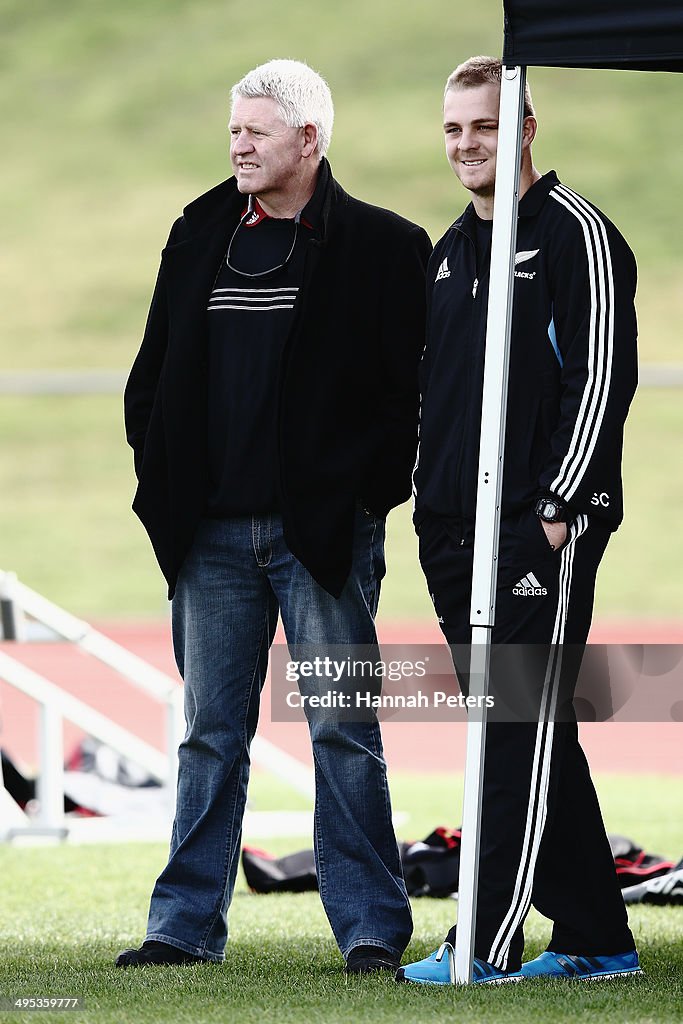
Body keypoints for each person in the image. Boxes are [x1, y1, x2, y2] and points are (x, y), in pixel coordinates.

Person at [118, 58, 431, 973]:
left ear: (310, 138)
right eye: (233, 130)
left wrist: (364, 493)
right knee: (210, 735)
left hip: (320, 538)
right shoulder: (199, 230)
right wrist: (159, 476)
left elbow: (404, 396)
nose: (238, 145)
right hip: (207, 539)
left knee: (341, 727)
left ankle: (371, 928)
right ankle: (182, 928)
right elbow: (154, 371)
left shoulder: (382, 245)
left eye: (256, 130)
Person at [398, 57, 641, 985]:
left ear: (525, 127)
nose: (467, 144)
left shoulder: (576, 234)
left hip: (536, 527)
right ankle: (596, 938)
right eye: (454, 128)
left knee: (508, 731)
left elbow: (602, 381)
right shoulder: (452, 248)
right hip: (450, 528)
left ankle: (485, 940)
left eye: (485, 126)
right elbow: (435, 393)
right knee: (529, 729)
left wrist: (555, 507)